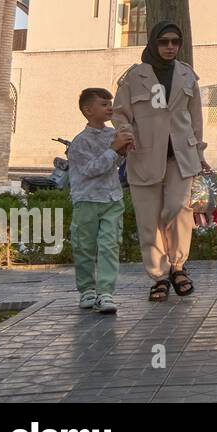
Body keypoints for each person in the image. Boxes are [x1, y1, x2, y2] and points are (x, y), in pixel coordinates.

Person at [112, 21, 211, 303]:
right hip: (144, 154)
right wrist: (126, 135)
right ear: (154, 43)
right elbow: (120, 113)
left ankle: (178, 266)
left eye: (175, 42)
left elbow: (195, 119)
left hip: (181, 156)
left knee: (179, 209)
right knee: (148, 218)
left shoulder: (187, 75)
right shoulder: (135, 76)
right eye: (164, 42)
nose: (170, 47)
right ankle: (160, 276)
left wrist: (200, 152)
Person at [67, 88, 132, 314]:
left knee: (109, 245)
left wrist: (124, 149)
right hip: (86, 200)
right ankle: (87, 290)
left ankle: (106, 292)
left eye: (109, 104)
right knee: (84, 247)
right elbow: (90, 169)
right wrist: (115, 150)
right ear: (88, 110)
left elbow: (119, 160)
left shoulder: (113, 134)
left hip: (112, 199)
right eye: (103, 104)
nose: (109, 108)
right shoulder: (79, 142)